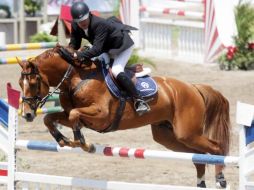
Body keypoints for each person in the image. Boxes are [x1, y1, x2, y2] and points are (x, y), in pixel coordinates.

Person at [69, 1, 150, 116]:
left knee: (116, 70)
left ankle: (139, 100)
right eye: (79, 22)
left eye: (84, 20)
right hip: (106, 48)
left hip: (122, 46)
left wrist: (79, 55)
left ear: (89, 14)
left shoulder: (99, 24)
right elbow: (74, 45)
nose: (82, 23)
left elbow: (96, 50)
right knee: (97, 65)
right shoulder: (75, 25)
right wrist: (67, 52)